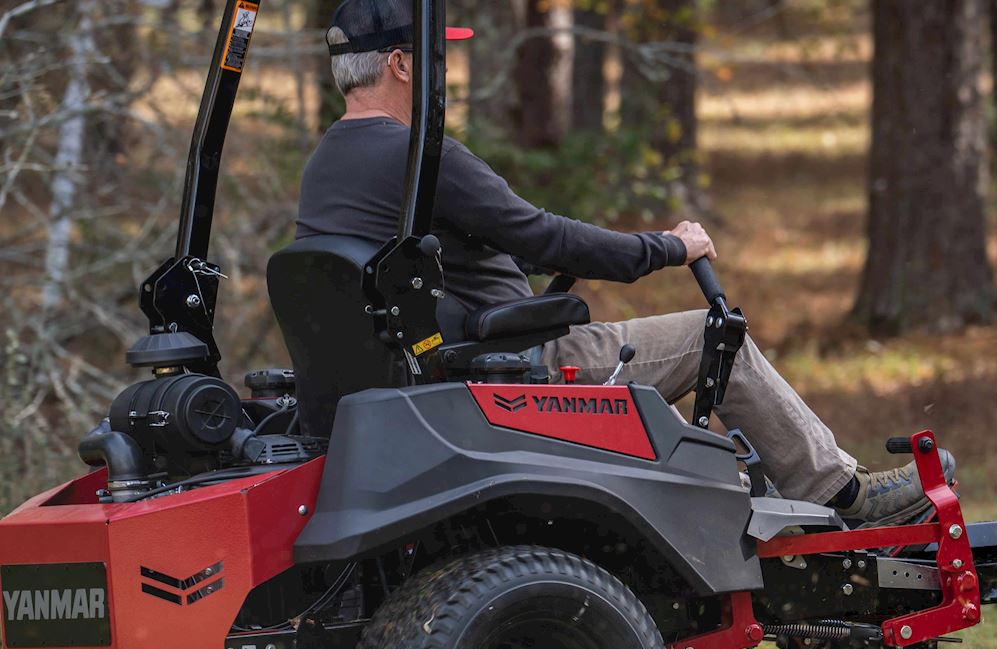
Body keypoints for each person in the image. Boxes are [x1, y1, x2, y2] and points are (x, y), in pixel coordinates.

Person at [294, 0, 953, 528]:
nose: (445, 69)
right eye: (438, 56)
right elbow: (548, 237)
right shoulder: (422, 156)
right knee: (714, 335)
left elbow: (475, 245)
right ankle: (838, 492)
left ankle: (762, 496)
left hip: (422, 376)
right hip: (512, 373)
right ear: (403, 65)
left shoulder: (330, 161)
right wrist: (670, 247)